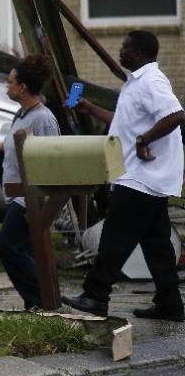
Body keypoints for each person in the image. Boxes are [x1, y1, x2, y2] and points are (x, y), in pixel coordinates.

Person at [63, 31, 185, 322]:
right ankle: (171, 305)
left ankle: (96, 295)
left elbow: (176, 115)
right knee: (158, 247)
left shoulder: (152, 81)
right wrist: (91, 108)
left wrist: (144, 141)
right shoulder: (135, 84)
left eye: (125, 48)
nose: (120, 52)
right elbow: (123, 122)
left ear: (140, 53)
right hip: (146, 180)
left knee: (115, 238)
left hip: (141, 178)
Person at [0, 55, 59, 310]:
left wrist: (45, 200)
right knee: (23, 249)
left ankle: (41, 300)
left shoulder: (43, 119)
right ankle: (37, 302)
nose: (7, 86)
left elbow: (53, 158)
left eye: (10, 82)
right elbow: (8, 145)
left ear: (23, 87)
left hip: (29, 198)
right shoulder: (22, 114)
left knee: (9, 247)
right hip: (16, 195)